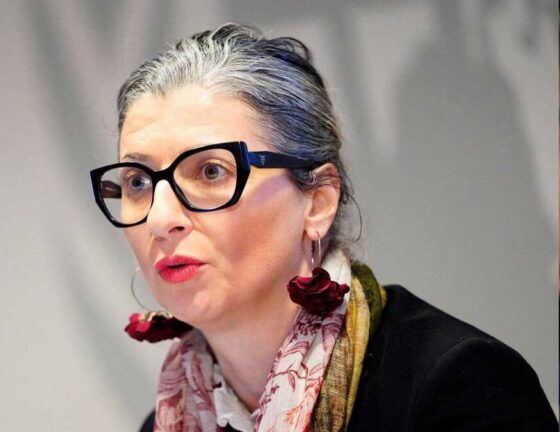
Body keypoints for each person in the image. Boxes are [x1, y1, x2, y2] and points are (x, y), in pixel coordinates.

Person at [89, 24, 557, 432]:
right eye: (137, 182)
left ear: (317, 201)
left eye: (211, 172)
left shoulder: (457, 386)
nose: (160, 218)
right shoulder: (167, 421)